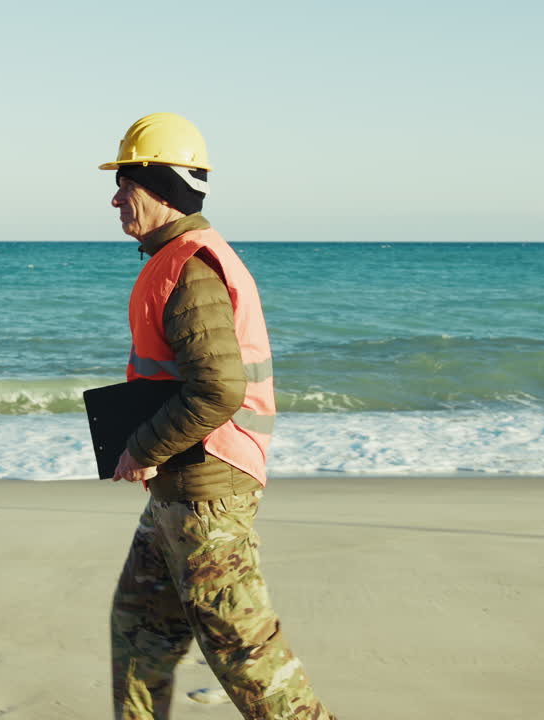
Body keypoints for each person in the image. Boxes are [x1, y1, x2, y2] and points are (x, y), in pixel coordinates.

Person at [102, 112, 335, 720]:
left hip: (209, 492)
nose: (115, 198)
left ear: (161, 185)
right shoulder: (170, 259)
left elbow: (217, 391)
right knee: (138, 631)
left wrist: (141, 448)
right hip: (179, 489)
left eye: (126, 184)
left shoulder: (192, 269)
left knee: (245, 654)